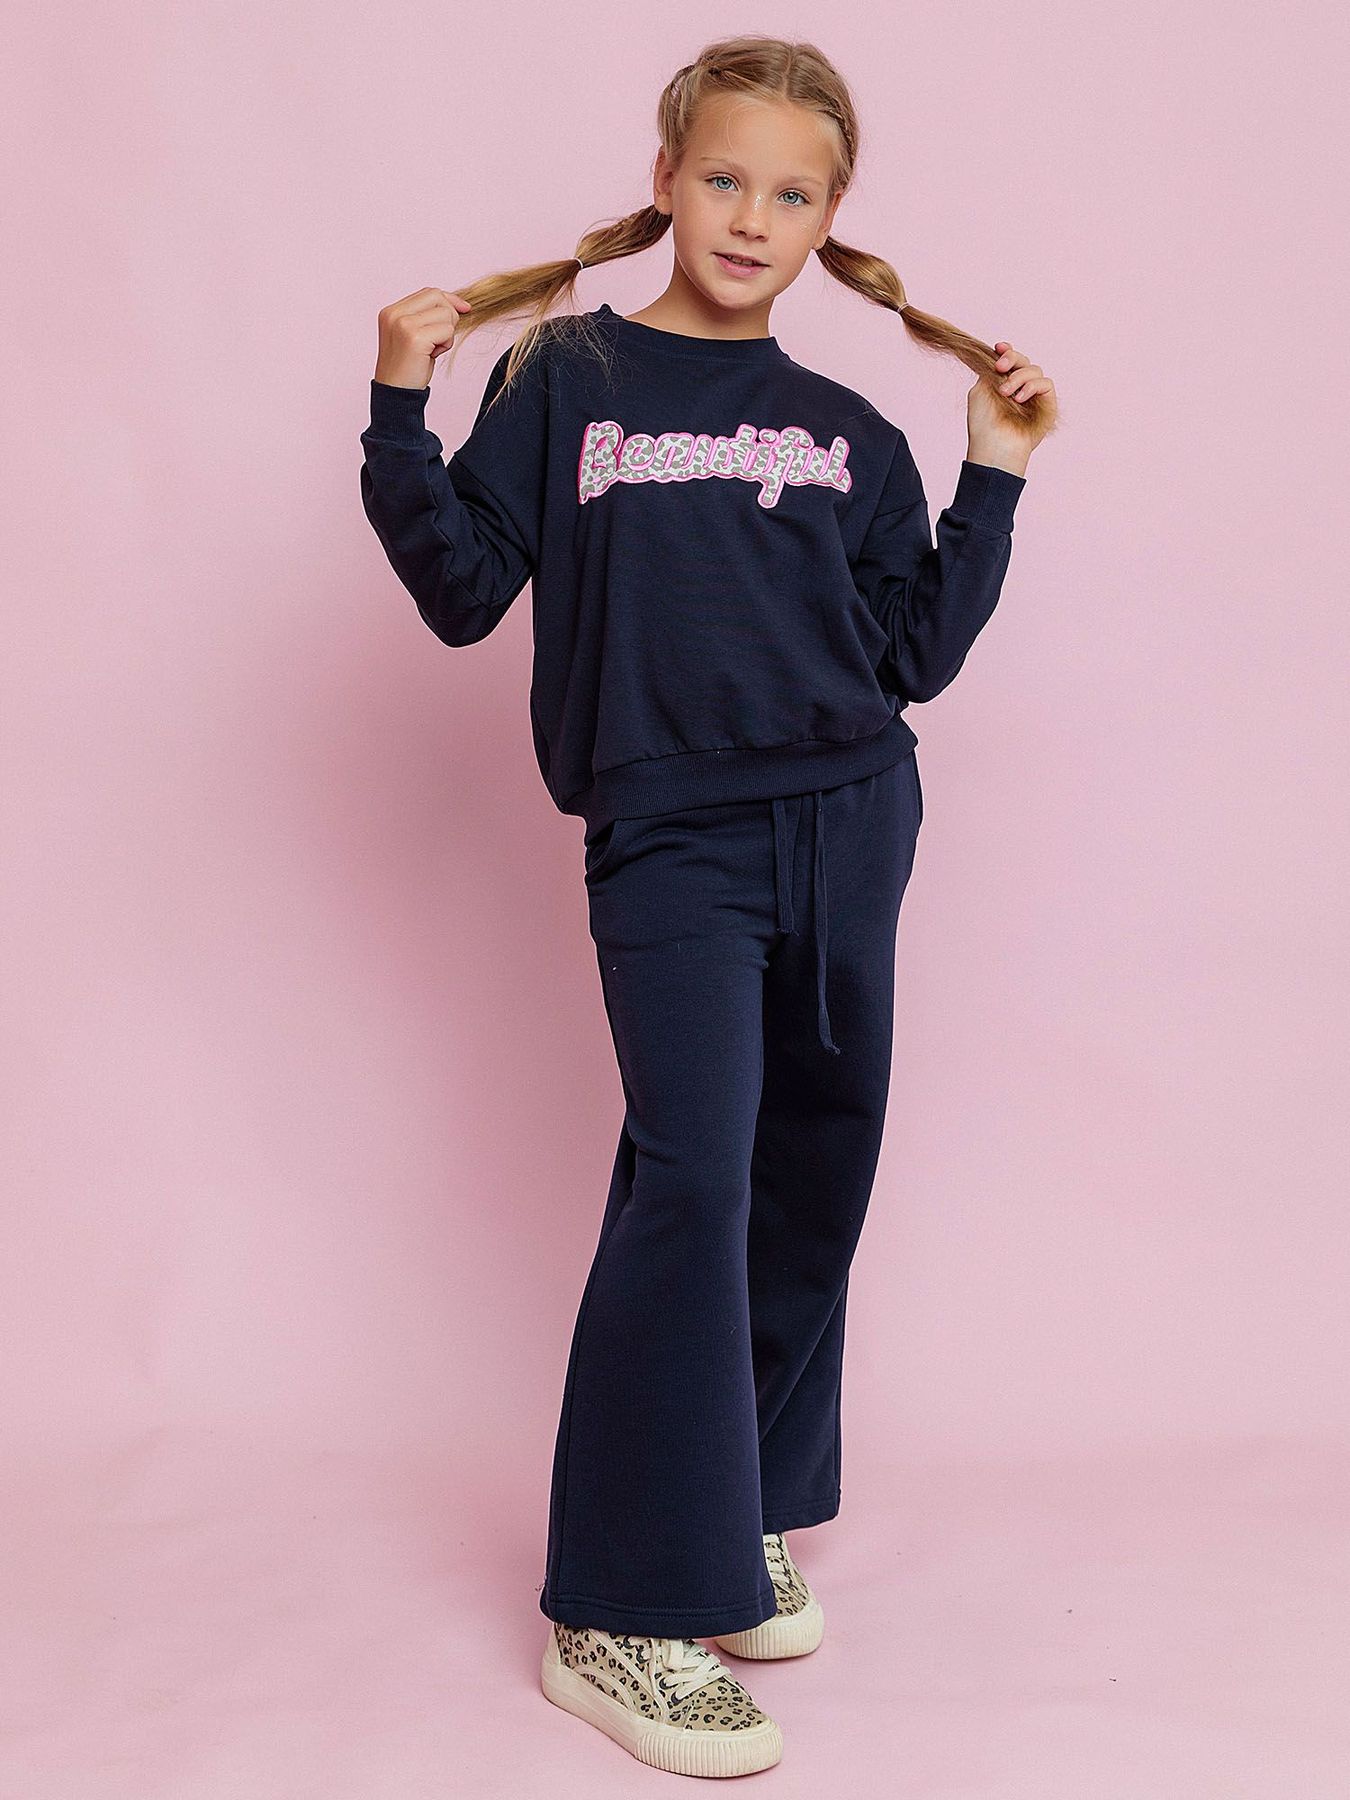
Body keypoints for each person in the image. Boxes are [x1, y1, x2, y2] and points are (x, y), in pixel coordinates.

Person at [359, 32, 1057, 1779]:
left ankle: (728, 1514)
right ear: (666, 178)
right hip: (674, 840)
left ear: (831, 217)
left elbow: (909, 656)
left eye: (793, 193)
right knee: (693, 1181)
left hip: (853, 818)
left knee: (814, 1169)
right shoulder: (568, 376)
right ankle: (614, 1609)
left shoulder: (848, 431)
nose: (753, 216)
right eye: (727, 177)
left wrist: (990, 472)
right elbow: (460, 591)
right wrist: (397, 411)